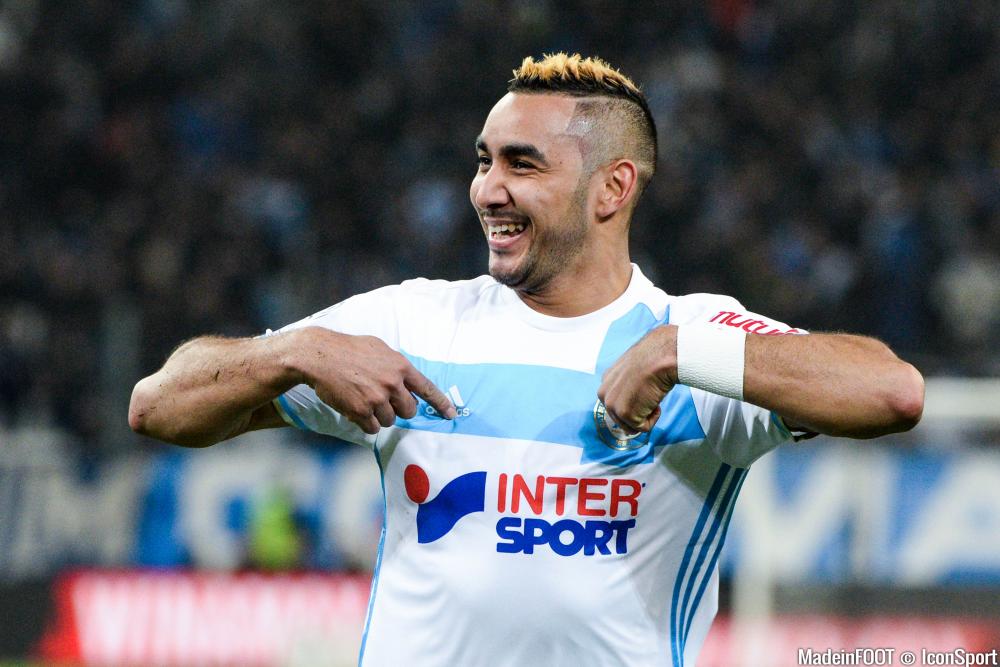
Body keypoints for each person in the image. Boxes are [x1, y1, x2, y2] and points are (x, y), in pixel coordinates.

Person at [129, 53, 924, 667]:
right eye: (484, 161)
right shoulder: (413, 323)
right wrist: (294, 351)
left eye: (522, 163)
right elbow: (156, 406)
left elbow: (891, 391)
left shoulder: (692, 340)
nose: (487, 189)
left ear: (612, 189)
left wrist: (681, 352)